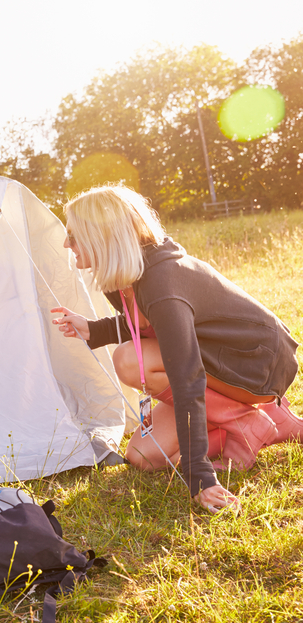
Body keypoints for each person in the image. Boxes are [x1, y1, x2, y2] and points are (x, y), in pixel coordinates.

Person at [51, 185, 303, 513]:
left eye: (73, 233)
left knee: (129, 360)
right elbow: (148, 324)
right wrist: (94, 329)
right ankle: (256, 426)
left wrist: (200, 475)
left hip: (255, 366)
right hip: (213, 361)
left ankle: (254, 415)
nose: (67, 243)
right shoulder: (126, 278)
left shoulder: (163, 281)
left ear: (102, 234)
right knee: (143, 456)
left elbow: (187, 378)